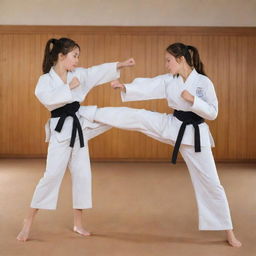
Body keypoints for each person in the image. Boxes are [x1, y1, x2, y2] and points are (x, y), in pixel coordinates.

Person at [94, 42, 242, 247]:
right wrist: (125, 87)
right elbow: (149, 85)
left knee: (211, 183)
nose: (166, 65)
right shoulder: (169, 80)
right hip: (173, 125)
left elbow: (213, 113)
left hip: (195, 136)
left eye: (168, 60)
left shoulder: (203, 83)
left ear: (181, 60)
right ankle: (94, 115)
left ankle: (229, 232)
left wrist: (193, 101)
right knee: (140, 117)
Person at [16, 37, 135, 242]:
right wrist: (69, 88)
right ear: (61, 56)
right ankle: (27, 223)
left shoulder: (79, 74)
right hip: (61, 132)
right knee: (52, 176)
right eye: (75, 56)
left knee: (82, 175)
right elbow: (47, 99)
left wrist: (119, 65)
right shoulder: (45, 80)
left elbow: (95, 73)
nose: (77, 60)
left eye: (78, 56)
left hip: (79, 125)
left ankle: (78, 224)